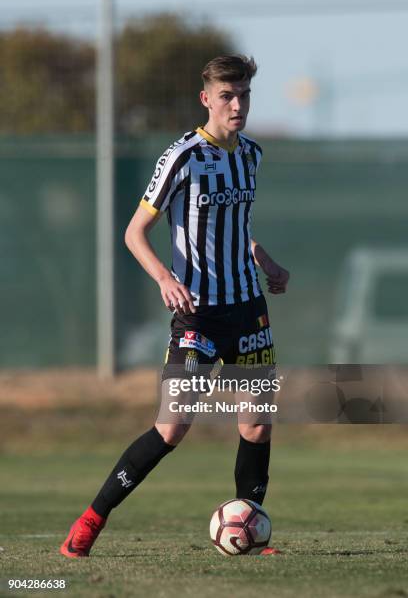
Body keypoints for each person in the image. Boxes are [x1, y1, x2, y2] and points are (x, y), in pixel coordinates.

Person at [60, 55, 289, 558]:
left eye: (244, 95)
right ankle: (91, 520)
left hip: (248, 308)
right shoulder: (182, 157)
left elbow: (235, 226)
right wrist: (164, 277)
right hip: (197, 315)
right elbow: (134, 232)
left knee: (256, 422)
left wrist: (264, 259)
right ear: (206, 99)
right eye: (228, 95)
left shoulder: (251, 154)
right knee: (172, 427)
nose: (238, 104)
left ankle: (249, 523)